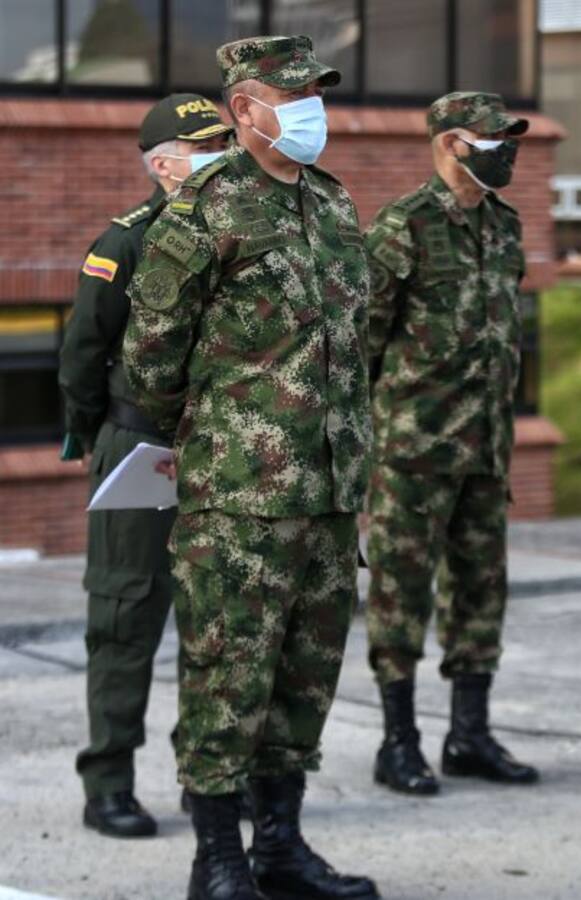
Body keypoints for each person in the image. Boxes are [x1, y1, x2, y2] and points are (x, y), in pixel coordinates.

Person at [123, 36, 377, 900]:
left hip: (332, 494)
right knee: (228, 676)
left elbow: (355, 343)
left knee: (304, 678)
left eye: (317, 93)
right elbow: (151, 358)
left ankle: (280, 846)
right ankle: (217, 859)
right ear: (243, 109)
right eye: (294, 95)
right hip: (240, 500)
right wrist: (217, 440)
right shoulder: (203, 210)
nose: (313, 111)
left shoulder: (334, 206)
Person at [59, 93, 231, 839]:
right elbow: (80, 358)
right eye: (205, 146)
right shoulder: (124, 243)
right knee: (126, 616)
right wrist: (103, 436)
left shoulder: (241, 235)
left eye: (226, 142)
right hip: (140, 448)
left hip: (222, 454)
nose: (222, 156)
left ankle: (209, 781)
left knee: (216, 625)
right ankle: (108, 784)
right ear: (164, 165)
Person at [364, 91, 539, 796]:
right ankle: (397, 740)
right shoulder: (401, 227)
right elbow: (364, 343)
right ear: (449, 144)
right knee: (401, 592)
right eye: (492, 139)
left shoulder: (505, 224)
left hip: (487, 443)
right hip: (414, 447)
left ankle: (469, 733)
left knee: (481, 587)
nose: (507, 150)